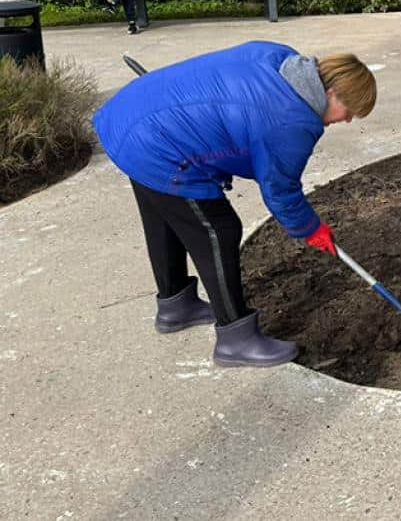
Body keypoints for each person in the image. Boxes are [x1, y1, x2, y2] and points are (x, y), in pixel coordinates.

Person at [93, 41, 376, 367]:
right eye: (350, 110)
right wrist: (309, 228)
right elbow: (280, 189)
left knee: (166, 215)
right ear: (330, 93)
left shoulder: (280, 59)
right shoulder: (292, 121)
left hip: (133, 118)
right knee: (218, 229)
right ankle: (236, 339)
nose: (349, 120)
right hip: (160, 145)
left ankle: (176, 306)